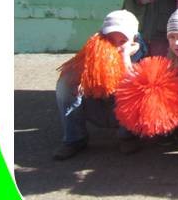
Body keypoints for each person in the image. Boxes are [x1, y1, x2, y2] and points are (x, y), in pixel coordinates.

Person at [53, 10, 144, 160]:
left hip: (123, 112)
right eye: (111, 40)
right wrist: (83, 81)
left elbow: (136, 86)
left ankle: (128, 136)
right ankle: (75, 138)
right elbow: (72, 76)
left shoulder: (142, 52)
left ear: (134, 39)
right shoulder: (95, 48)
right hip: (97, 105)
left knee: (139, 88)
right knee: (65, 84)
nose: (116, 46)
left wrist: (125, 57)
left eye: (122, 41)